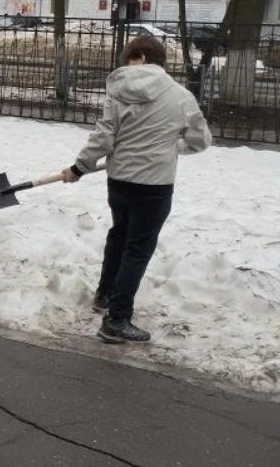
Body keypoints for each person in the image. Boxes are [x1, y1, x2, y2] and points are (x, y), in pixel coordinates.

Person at [61, 35, 211, 344]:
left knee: (119, 236)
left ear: (139, 56)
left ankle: (105, 295)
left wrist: (80, 168)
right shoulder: (180, 96)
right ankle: (116, 319)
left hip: (119, 181)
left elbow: (103, 139)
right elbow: (200, 140)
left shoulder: (117, 91)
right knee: (137, 249)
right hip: (154, 185)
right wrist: (172, 146)